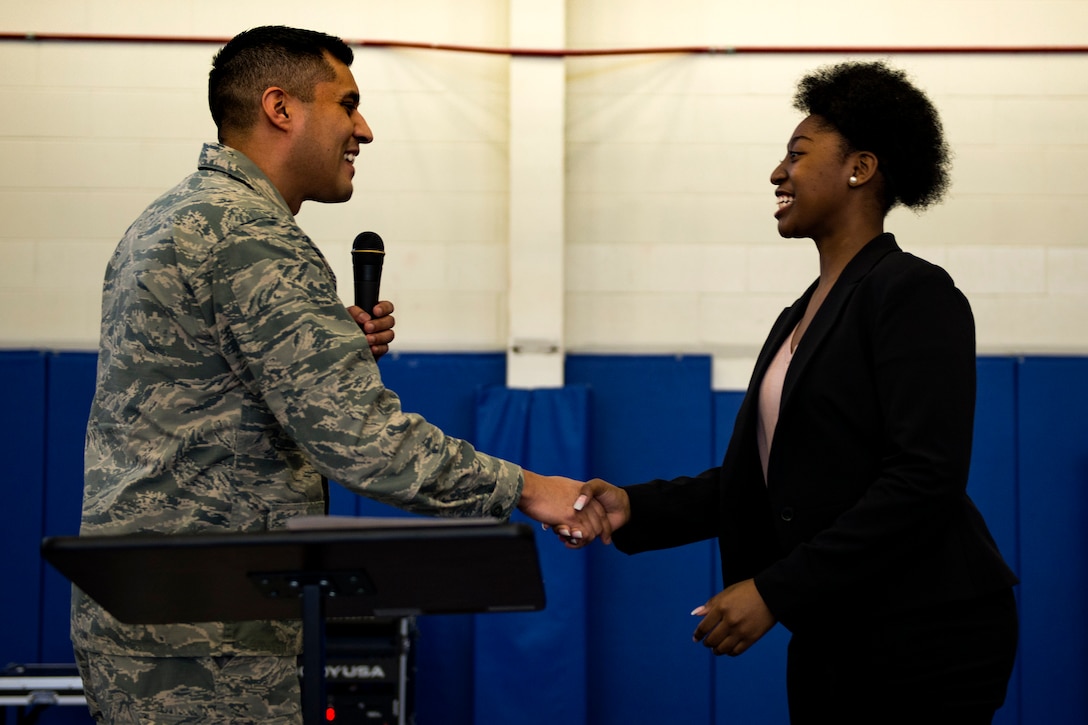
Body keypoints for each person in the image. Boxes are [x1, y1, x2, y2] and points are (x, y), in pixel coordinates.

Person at [73, 25, 608, 724]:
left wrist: (324, 353)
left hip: (145, 620)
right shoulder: (255, 238)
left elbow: (195, 397)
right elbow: (367, 442)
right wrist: (530, 488)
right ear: (280, 107)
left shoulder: (166, 220)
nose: (365, 129)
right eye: (347, 103)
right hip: (208, 640)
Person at [570, 61, 1019, 723]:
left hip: (930, 631)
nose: (778, 173)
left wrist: (775, 589)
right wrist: (632, 506)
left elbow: (924, 478)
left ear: (859, 169)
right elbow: (761, 482)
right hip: (837, 626)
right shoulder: (800, 315)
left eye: (797, 154)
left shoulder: (913, 292)